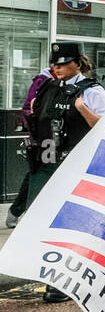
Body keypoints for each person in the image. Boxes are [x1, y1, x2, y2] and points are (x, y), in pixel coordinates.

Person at [27, 44, 105, 301]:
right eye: (55, 64)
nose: (57, 68)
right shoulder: (48, 87)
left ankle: (62, 281)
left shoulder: (93, 91)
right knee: (39, 219)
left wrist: (83, 109)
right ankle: (49, 273)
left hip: (75, 165)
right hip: (45, 163)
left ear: (77, 63)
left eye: (63, 63)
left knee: (67, 224)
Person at [5, 66, 55, 228]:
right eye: (58, 66)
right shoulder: (42, 82)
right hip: (43, 139)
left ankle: (19, 212)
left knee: (44, 174)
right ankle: (18, 211)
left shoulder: (64, 83)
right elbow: (28, 109)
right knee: (38, 174)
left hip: (57, 139)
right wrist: (37, 129)